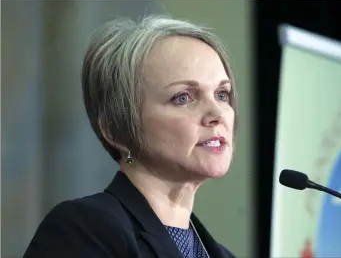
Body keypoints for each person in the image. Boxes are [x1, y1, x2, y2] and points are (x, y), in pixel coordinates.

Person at [23, 15, 238, 258]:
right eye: (183, 97)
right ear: (116, 129)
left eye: (221, 94)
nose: (217, 114)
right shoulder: (84, 231)